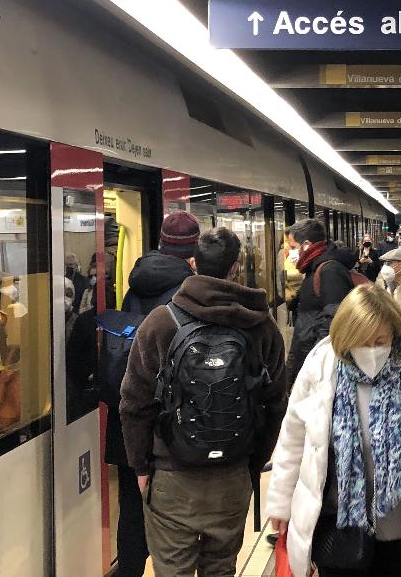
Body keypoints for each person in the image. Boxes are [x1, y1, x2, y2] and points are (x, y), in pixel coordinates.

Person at [266, 285, 401, 577]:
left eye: (380, 340)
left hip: (398, 528)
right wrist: (280, 503)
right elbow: (293, 439)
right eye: (361, 342)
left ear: (395, 331)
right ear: (344, 338)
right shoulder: (321, 366)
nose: (372, 351)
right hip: (336, 523)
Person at [119, 227, 287, 577]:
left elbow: (134, 403)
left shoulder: (161, 321)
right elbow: (275, 402)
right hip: (233, 473)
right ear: (236, 267)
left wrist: (141, 466)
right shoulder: (261, 325)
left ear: (192, 263)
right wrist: (255, 461)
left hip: (172, 475)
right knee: (221, 568)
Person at [102, 210, 199, 577]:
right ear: (193, 252)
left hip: (128, 418)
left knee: (131, 509)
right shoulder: (188, 291)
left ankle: (128, 570)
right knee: (172, 516)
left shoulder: (134, 285)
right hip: (167, 423)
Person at [287, 217, 355, 387]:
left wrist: (318, 361)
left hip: (319, 364)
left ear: (307, 245)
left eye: (293, 247)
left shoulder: (329, 270)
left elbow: (335, 320)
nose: (290, 252)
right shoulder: (316, 268)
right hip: (309, 354)